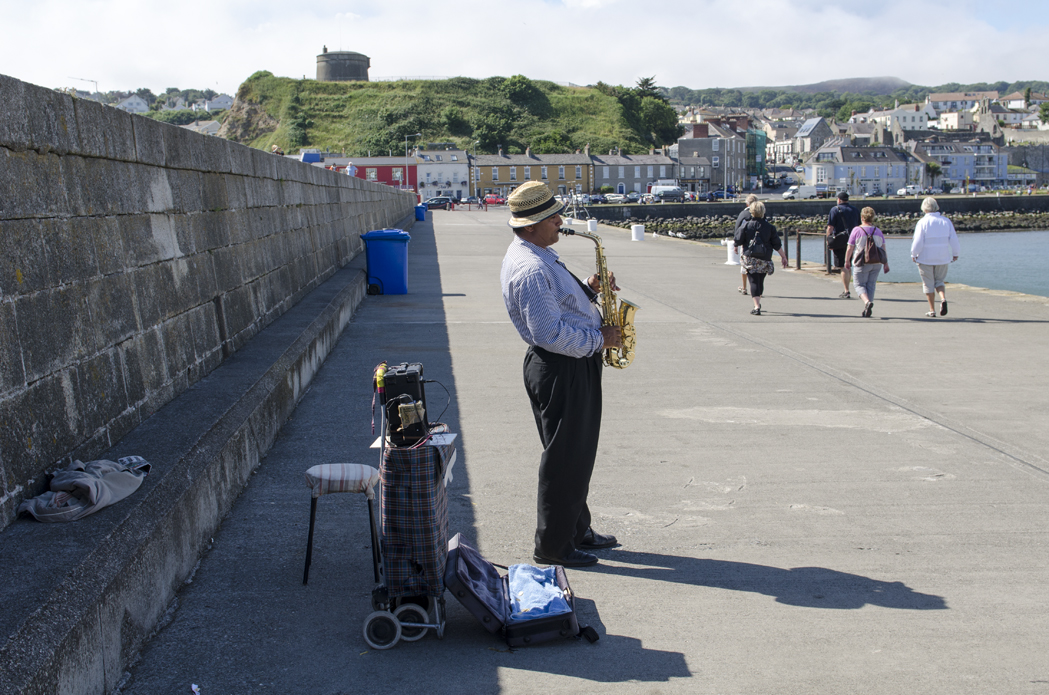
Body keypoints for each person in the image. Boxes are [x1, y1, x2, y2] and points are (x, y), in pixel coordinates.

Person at [500, 181, 622, 568]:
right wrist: (600, 339)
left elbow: (558, 307)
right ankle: (553, 546)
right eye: (552, 218)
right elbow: (549, 334)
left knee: (576, 455)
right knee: (565, 459)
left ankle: (575, 528)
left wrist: (588, 289)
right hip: (562, 367)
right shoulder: (532, 268)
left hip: (566, 365)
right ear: (531, 225)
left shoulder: (536, 253)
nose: (560, 222)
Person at [734, 201, 788, 316]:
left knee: (753, 280)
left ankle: (756, 306)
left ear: (751, 211)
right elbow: (776, 244)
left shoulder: (747, 225)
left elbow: (738, 239)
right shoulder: (769, 227)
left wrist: (736, 246)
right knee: (760, 280)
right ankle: (758, 300)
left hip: (750, 257)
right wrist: (783, 256)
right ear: (763, 212)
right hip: (765, 257)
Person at [911, 196, 960, 317]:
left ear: (924, 208)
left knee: (928, 284)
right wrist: (955, 253)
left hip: (925, 257)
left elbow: (918, 241)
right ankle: (943, 298)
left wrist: (914, 253)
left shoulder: (922, 222)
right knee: (939, 281)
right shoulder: (946, 221)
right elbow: (953, 239)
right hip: (942, 257)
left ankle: (932, 309)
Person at [844, 207, 890, 318]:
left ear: (862, 217)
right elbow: (883, 249)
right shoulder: (878, 231)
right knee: (871, 285)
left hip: (861, 262)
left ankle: (867, 302)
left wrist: (847, 261)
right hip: (877, 262)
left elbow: (850, 248)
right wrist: (886, 263)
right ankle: (868, 307)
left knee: (858, 284)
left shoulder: (857, 230)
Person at [827, 192, 860, 298]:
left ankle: (846, 291)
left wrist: (828, 239)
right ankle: (849, 288)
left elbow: (830, 227)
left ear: (839, 200)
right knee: (848, 263)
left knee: (843, 266)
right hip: (853, 240)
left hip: (840, 240)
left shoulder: (835, 209)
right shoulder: (855, 210)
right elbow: (859, 225)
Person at [734, 194, 759, 295]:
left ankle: (744, 287)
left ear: (747, 203)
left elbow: (738, 229)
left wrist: (736, 244)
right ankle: (758, 288)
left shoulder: (743, 214)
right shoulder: (760, 213)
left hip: (746, 244)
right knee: (758, 267)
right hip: (759, 243)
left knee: (744, 266)